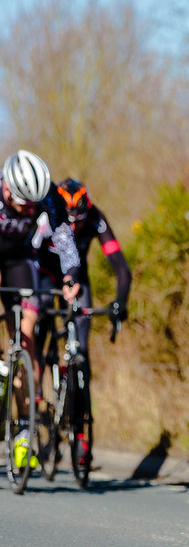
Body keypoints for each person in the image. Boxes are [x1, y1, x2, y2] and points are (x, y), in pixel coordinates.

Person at [32, 177, 132, 468]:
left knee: (81, 354)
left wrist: (120, 303)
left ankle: (80, 433)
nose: (73, 227)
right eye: (70, 221)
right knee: (38, 332)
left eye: (80, 221)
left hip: (77, 280)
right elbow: (30, 252)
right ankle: (36, 402)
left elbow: (121, 267)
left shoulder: (97, 218)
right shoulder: (46, 214)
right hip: (44, 277)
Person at [0, 151, 81, 445]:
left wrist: (70, 276)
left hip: (19, 259)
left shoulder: (47, 196)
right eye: (23, 205)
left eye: (31, 207)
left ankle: (24, 426)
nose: (27, 211)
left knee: (26, 332)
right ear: (7, 187)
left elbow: (64, 237)